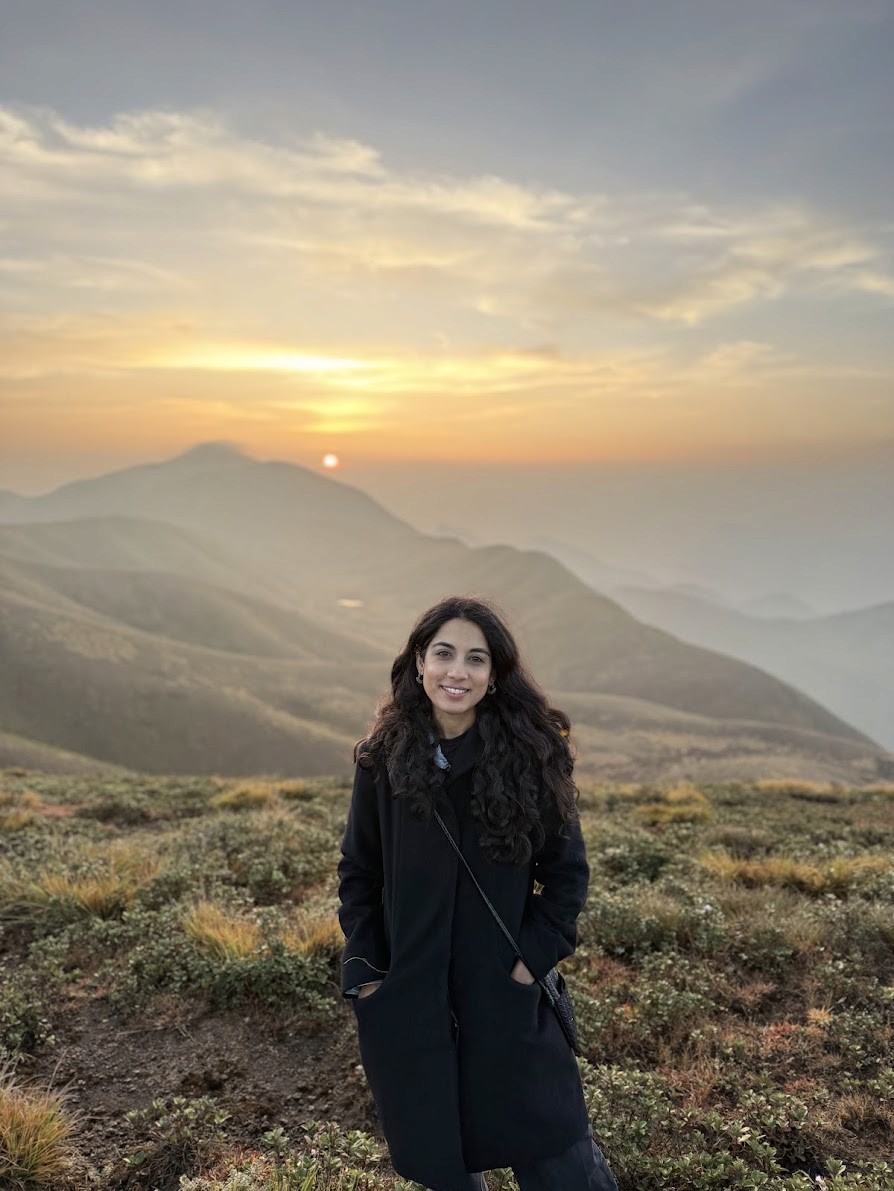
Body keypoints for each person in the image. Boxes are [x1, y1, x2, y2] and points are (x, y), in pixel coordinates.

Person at [337, 595, 620, 1191]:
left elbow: (567, 877)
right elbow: (359, 873)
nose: (456, 673)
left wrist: (525, 965)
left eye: (476, 659)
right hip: (411, 1003)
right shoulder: (381, 763)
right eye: (443, 654)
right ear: (419, 662)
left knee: (561, 1164)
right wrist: (368, 975)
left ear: (495, 676)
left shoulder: (531, 761)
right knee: (445, 1165)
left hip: (504, 1001)